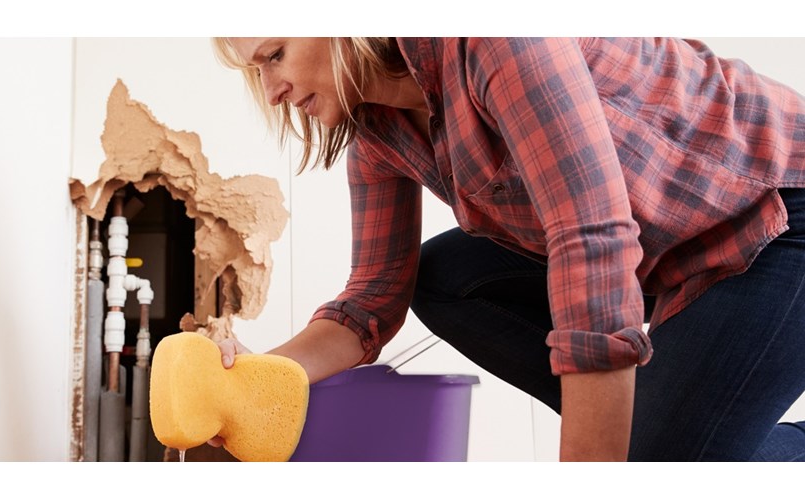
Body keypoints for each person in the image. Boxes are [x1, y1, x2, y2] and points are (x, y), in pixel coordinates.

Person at [209, 37, 805, 461]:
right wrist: (254, 378)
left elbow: (591, 243)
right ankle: (654, 431)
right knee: (444, 277)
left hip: (775, 217)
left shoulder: (496, 37)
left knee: (647, 469)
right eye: (256, 71)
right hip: (669, 253)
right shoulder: (379, 135)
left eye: (275, 55)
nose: (272, 91)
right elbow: (373, 298)